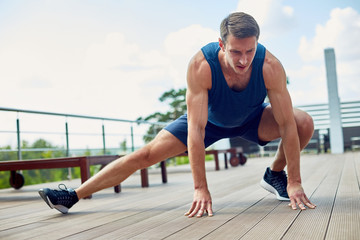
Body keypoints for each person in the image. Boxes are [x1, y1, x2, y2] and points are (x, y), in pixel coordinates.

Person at [39, 12, 316, 217]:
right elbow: (196, 131)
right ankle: (72, 195)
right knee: (144, 155)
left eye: (249, 51)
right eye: (235, 52)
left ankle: (275, 176)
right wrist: (200, 187)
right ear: (221, 44)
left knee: (302, 121)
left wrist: (295, 181)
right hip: (209, 123)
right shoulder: (201, 65)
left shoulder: (270, 66)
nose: (244, 60)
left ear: (257, 45)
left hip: (252, 119)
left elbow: (286, 126)